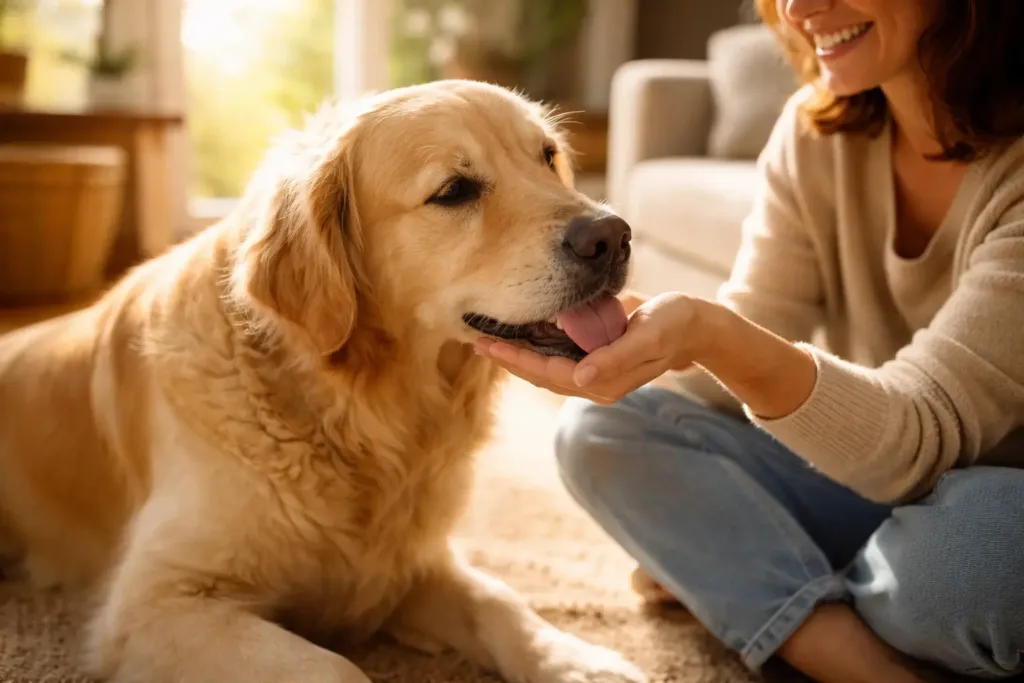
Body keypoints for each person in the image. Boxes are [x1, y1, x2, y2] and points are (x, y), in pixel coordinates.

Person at [474, 1, 1024, 682]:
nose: (799, 8)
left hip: (988, 501)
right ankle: (850, 654)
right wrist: (642, 340)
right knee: (600, 429)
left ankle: (748, 578)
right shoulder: (814, 131)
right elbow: (748, 338)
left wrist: (698, 534)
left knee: (972, 566)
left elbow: (918, 437)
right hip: (878, 486)